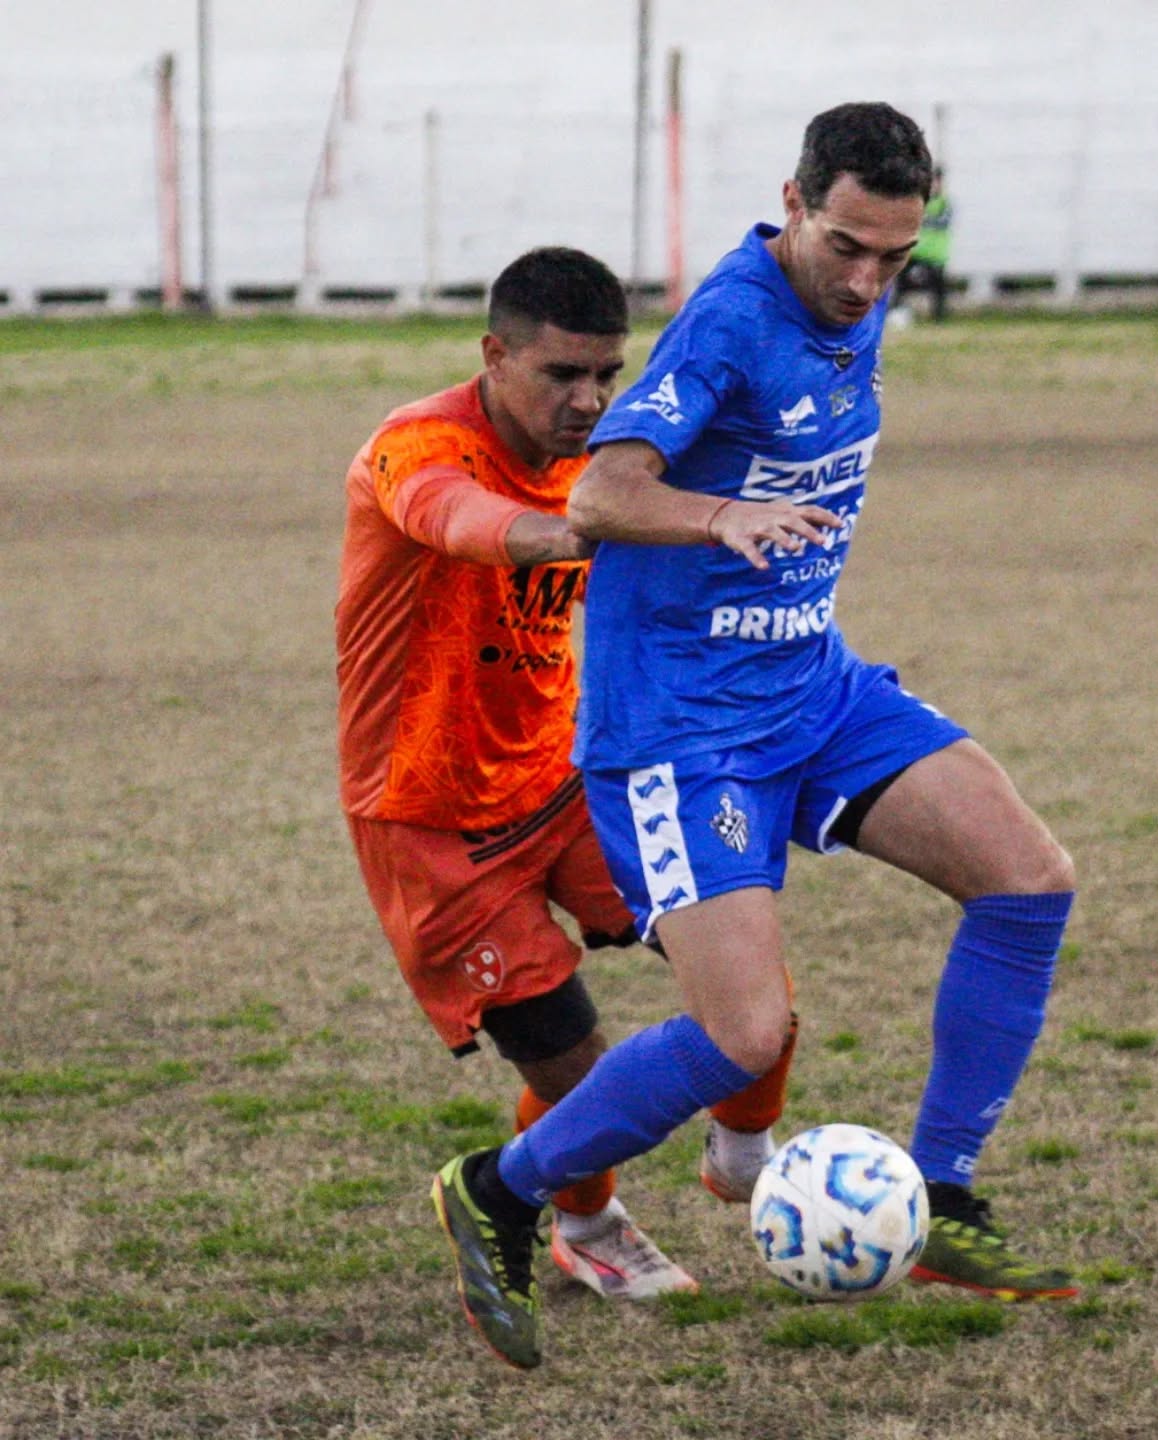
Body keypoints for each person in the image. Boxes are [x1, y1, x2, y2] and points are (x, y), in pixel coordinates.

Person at [440, 105, 1078, 1371]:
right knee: (742, 1037)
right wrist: (723, 513)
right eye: (845, 244)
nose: (864, 281)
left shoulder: (862, 290)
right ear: (792, 200)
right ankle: (501, 1191)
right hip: (685, 733)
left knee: (1028, 880)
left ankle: (940, 1195)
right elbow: (603, 492)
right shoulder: (733, 318)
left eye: (894, 257)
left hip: (814, 690)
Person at [335, 247, 799, 1360]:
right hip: (432, 819)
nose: (588, 401)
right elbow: (455, 518)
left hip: (567, 782)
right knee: (579, 1071)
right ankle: (587, 1223)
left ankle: (745, 1152)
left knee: (754, 987)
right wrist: (574, 526)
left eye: (607, 374)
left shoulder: (610, 445)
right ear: (495, 356)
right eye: (561, 376)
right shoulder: (420, 446)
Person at [897, 164, 953, 319]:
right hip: (916, 250)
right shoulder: (919, 201)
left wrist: (923, 220)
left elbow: (942, 222)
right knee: (902, 283)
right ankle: (897, 311)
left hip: (936, 253)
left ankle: (939, 318)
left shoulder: (944, 203)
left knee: (938, 288)